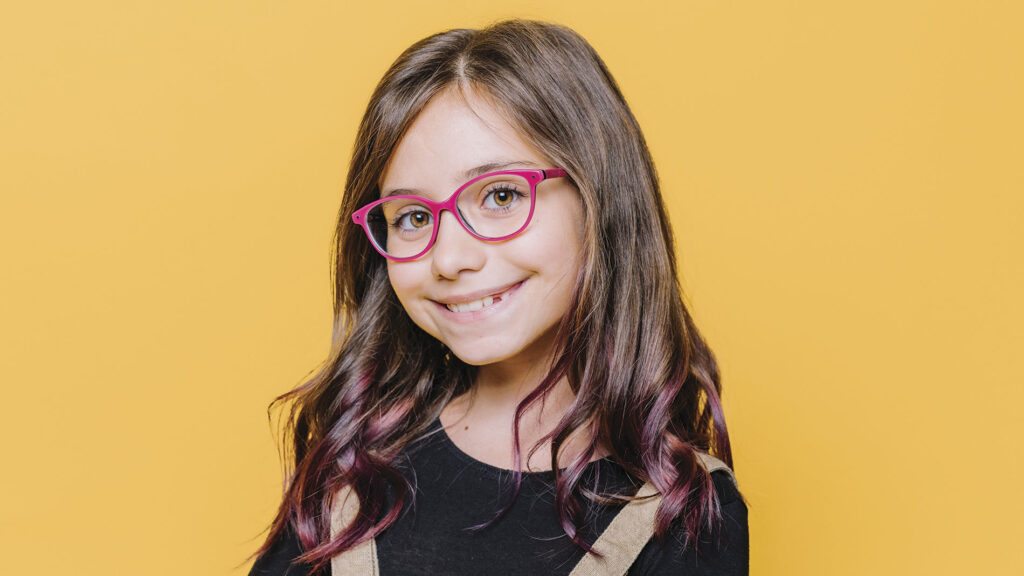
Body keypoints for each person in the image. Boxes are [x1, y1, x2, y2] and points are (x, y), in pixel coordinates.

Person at [249, 19, 748, 576]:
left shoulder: (681, 509)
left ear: (599, 197)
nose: (450, 259)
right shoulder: (355, 467)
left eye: (501, 196)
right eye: (413, 217)